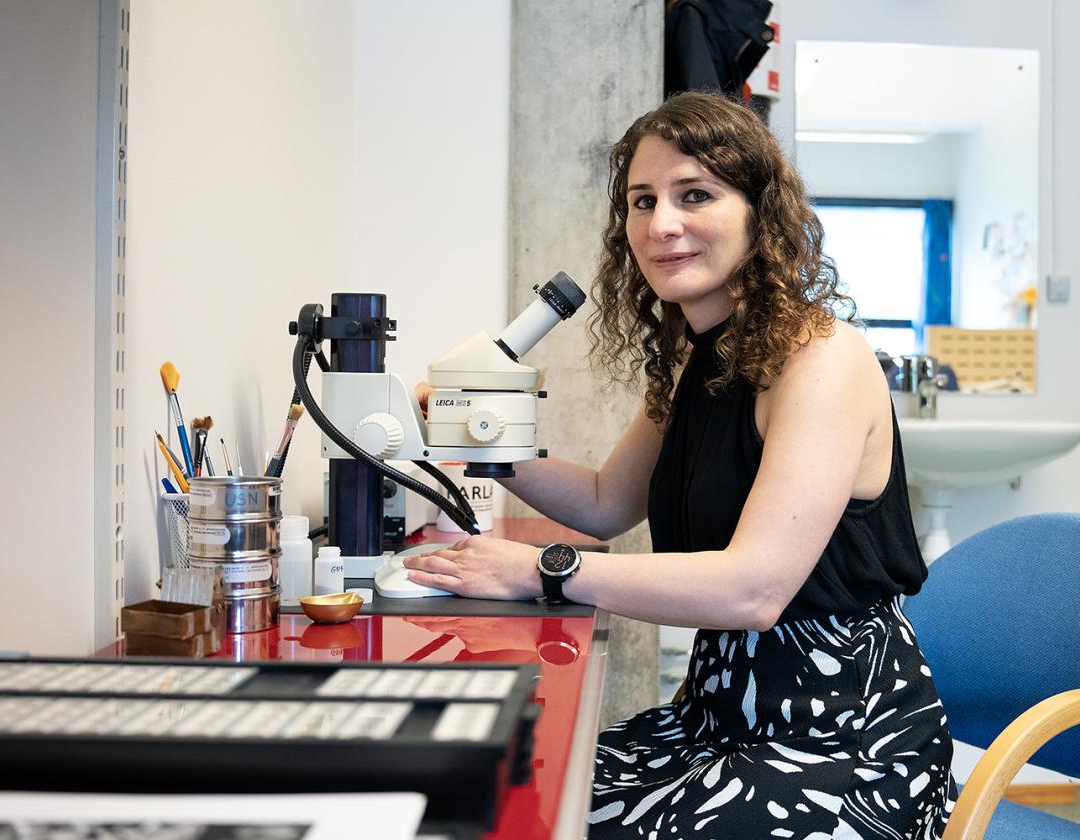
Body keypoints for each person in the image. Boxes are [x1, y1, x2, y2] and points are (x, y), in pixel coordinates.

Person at [403, 90, 956, 839]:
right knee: (503, 789)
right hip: (716, 719)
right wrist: (480, 442)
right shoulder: (697, 358)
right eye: (642, 200)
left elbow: (754, 589)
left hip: (842, 742)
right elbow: (604, 502)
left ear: (761, 212)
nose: (661, 224)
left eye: (694, 195)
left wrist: (537, 569)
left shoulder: (822, 360)